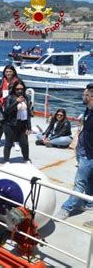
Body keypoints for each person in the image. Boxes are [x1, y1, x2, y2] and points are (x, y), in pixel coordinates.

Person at [55, 83, 93, 221]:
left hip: (88, 155)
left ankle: (66, 208)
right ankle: (89, 202)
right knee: (90, 180)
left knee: (79, 183)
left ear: (90, 97)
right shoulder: (88, 109)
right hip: (82, 151)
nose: (82, 96)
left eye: (84, 95)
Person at [2, 80, 32, 164]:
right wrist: (16, 102)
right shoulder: (9, 98)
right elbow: (6, 111)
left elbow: (28, 114)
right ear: (14, 89)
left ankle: (26, 159)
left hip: (22, 124)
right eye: (17, 89)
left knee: (24, 143)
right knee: (9, 142)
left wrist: (29, 127)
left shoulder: (26, 98)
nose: (20, 91)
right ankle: (6, 160)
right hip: (10, 124)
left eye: (22, 89)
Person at [0, 65, 20, 151]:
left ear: (13, 72)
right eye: (6, 72)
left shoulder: (18, 82)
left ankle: (16, 142)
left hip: (14, 105)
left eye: (10, 72)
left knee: (15, 124)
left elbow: (21, 93)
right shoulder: (1, 82)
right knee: (1, 124)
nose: (8, 73)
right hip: (2, 106)